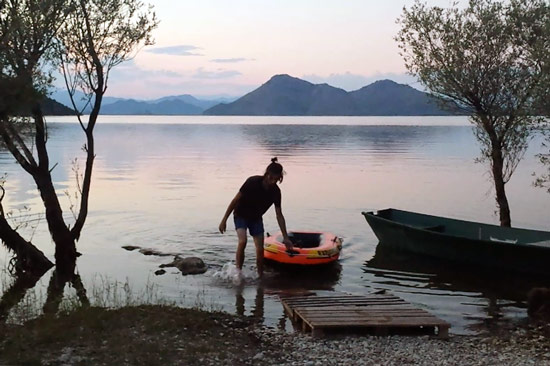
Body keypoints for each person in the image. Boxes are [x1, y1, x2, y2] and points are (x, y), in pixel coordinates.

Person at [219, 157, 293, 278]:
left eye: (276, 179)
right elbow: (235, 200)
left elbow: (279, 215)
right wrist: (224, 220)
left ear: (280, 178)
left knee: (260, 250)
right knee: (242, 241)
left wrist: (286, 237)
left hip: (256, 218)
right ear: (266, 174)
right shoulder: (252, 182)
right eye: (271, 178)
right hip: (240, 214)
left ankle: (260, 275)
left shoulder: (276, 192)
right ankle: (238, 273)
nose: (273, 181)